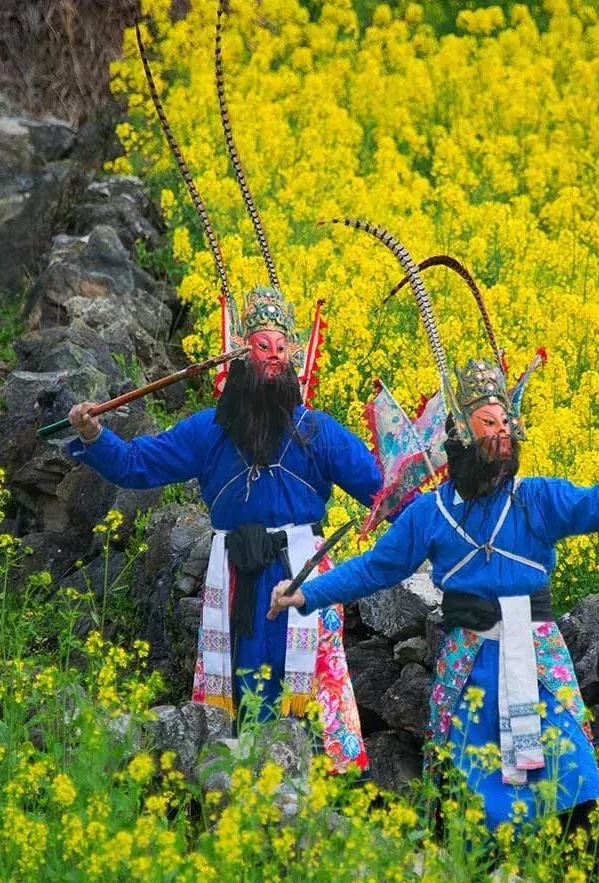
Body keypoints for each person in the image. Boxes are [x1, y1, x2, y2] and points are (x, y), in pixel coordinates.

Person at [269, 353, 599, 829]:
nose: (502, 432)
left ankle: (567, 866)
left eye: (506, 422)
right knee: (467, 779)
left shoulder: (535, 499)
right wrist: (307, 594)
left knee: (568, 767)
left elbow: (587, 501)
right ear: (463, 435)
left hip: (535, 652)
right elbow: (374, 569)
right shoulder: (432, 513)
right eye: (488, 422)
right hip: (468, 659)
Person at [67, 286, 381, 771]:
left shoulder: (318, 431)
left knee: (308, 688)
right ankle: (239, 785)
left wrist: (431, 507)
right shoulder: (208, 431)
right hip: (236, 578)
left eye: (282, 348)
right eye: (262, 346)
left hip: (303, 573)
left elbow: (381, 491)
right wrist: (93, 435)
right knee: (245, 683)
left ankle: (320, 790)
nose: (274, 357)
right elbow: (135, 465)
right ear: (240, 354)